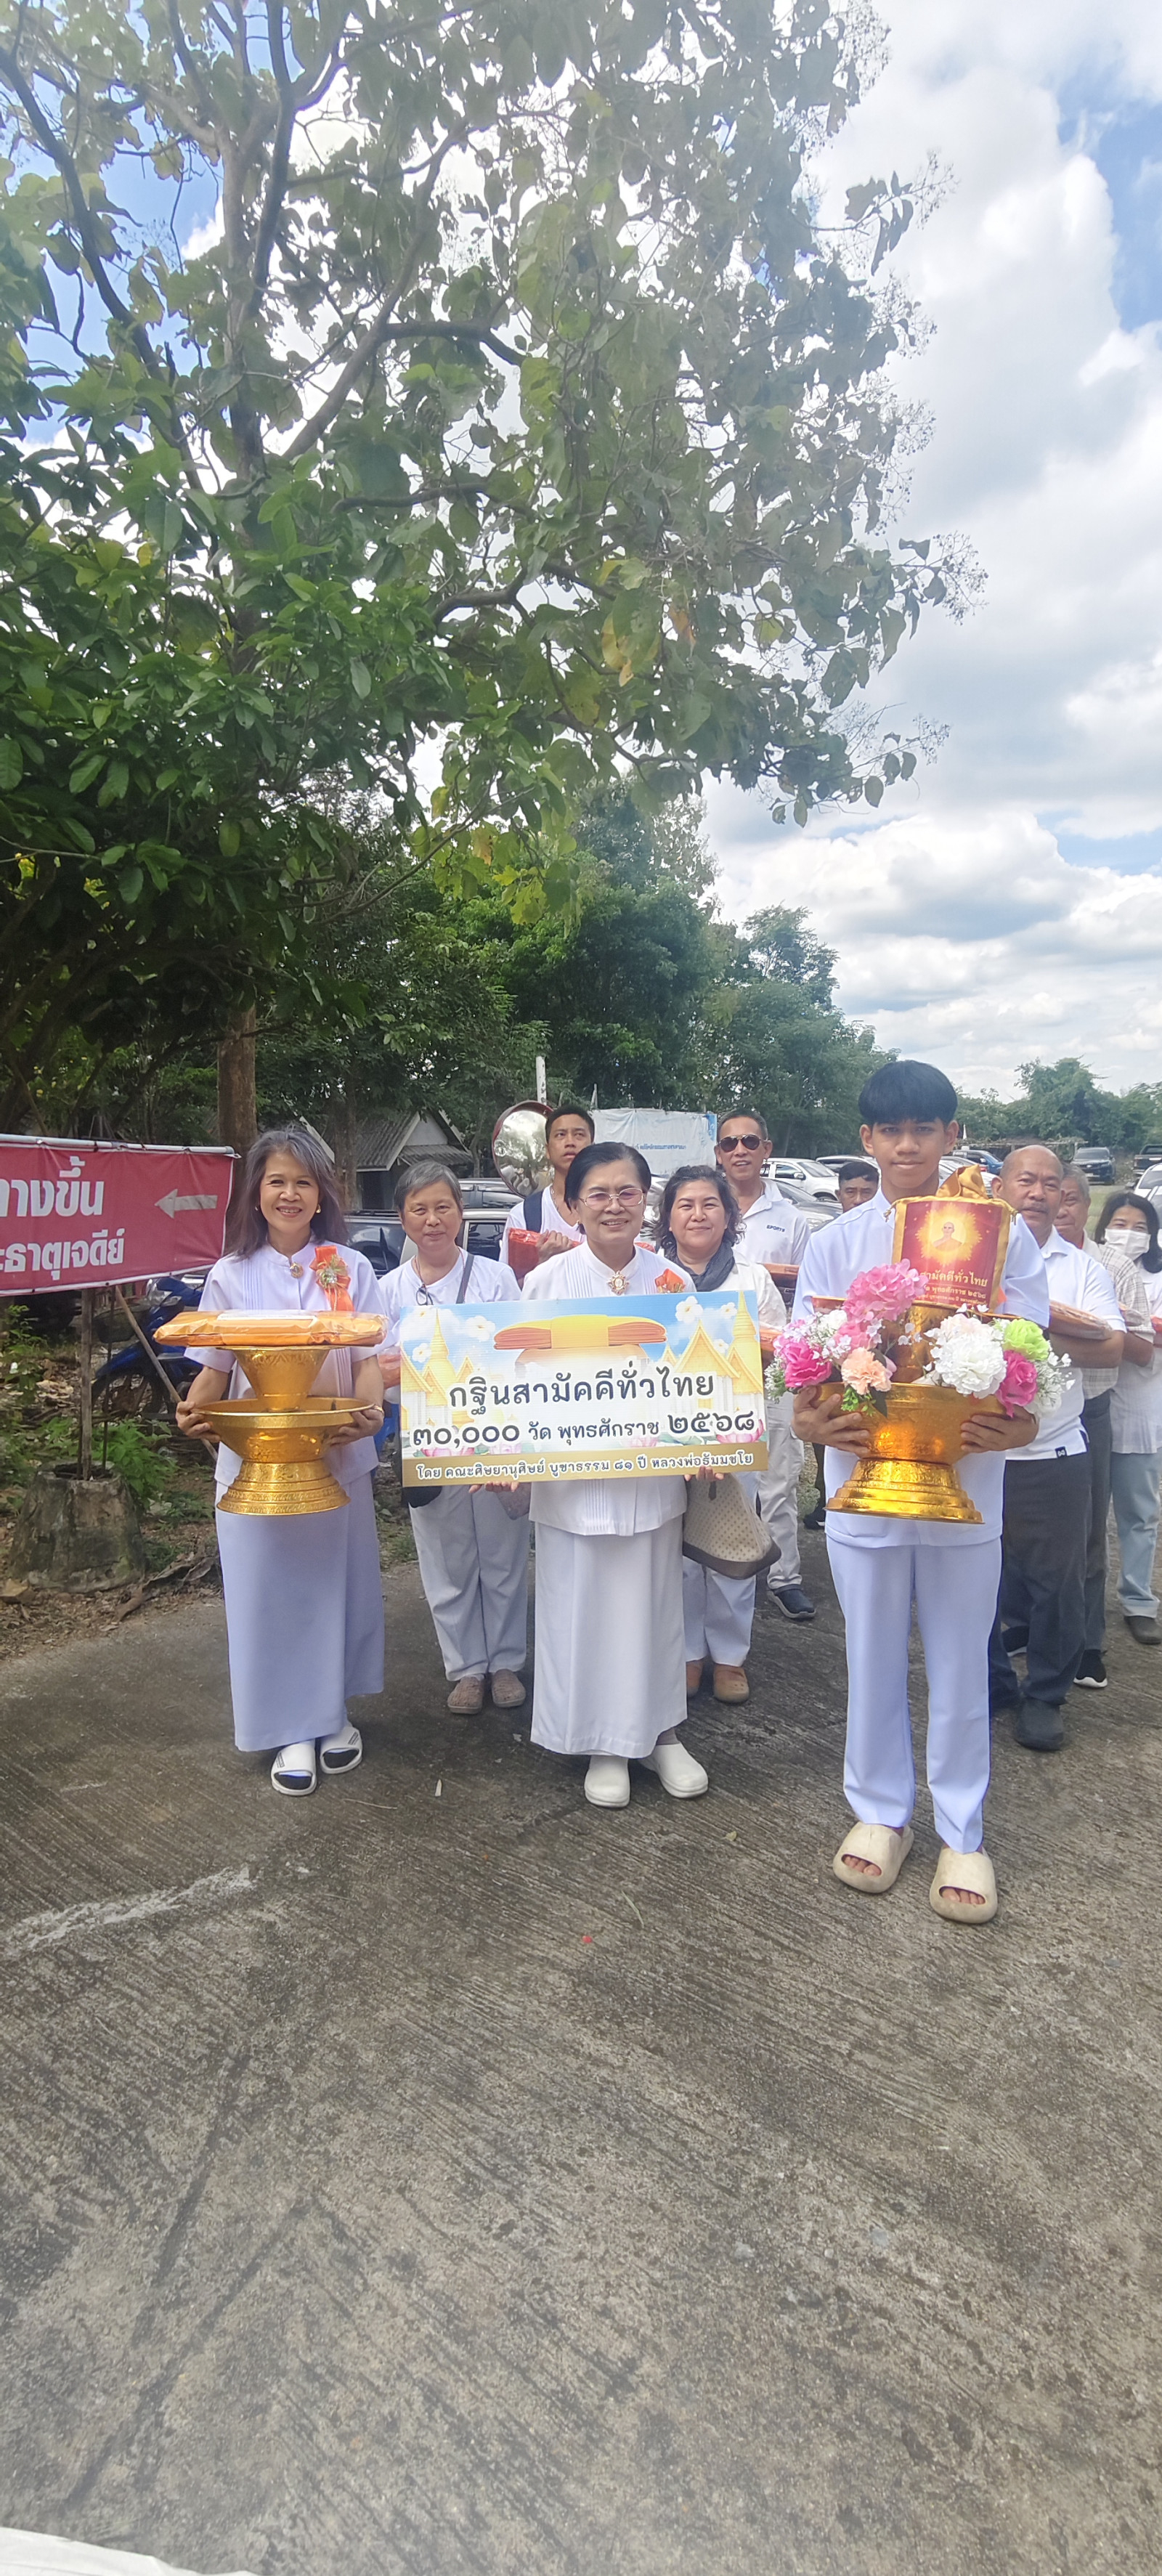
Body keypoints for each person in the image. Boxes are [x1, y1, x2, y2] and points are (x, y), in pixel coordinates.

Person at [791, 1061, 1049, 1925]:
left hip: (966, 1476)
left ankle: (963, 1828)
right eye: (889, 1130)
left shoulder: (1002, 1235)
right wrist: (807, 1420)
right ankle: (878, 1813)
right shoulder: (833, 1243)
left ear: (951, 1135)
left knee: (959, 1659)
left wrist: (1026, 1422)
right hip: (862, 1479)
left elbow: (1034, 1359)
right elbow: (805, 1359)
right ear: (866, 1140)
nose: (907, 1145)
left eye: (924, 1129)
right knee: (867, 1652)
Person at [176, 1128, 385, 1797]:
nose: (290, 1193)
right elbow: (212, 1369)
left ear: (322, 1191)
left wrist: (371, 1410)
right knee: (271, 1596)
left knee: (334, 1588)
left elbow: (367, 1361)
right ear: (257, 1194)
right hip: (256, 1465)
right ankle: (291, 1727)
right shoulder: (229, 1273)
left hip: (334, 1453)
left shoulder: (349, 1267)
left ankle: (334, 1715)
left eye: (303, 1180)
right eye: (277, 1181)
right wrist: (192, 1410)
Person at [521, 1140, 707, 1809]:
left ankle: (660, 1732)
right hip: (572, 1483)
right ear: (572, 1205)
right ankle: (602, 1740)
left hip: (651, 1480)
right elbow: (517, 1383)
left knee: (656, 1604)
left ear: (646, 1200)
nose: (614, 1206)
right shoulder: (544, 1285)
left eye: (627, 1192)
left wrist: (710, 1433)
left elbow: (698, 1380)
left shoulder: (673, 1284)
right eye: (597, 1193)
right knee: (583, 1606)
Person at [378, 1161, 529, 1715]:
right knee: (446, 1556)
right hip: (426, 1438)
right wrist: (395, 1377)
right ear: (403, 1220)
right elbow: (376, 1371)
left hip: (495, 1436)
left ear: (461, 1214)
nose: (433, 1219)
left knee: (503, 1551)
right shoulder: (386, 1290)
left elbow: (520, 1355)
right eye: (419, 1209)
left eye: (443, 1206)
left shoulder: (496, 1279)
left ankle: (508, 1660)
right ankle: (466, 1668)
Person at [989, 1147, 1126, 1747]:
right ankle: (993, 1681)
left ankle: (1046, 1692)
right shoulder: (970, 1257)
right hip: (977, 1451)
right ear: (1000, 1186)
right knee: (975, 1583)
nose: (1039, 1193)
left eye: (1051, 1183)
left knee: (1057, 1584)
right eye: (1027, 1180)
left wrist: (1034, 1323)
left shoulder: (1080, 1269)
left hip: (1053, 1454)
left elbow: (1111, 1346)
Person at [659, 1163, 785, 1704]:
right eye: (685, 1204)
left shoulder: (752, 1280)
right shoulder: (650, 1276)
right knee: (679, 1549)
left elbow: (783, 1358)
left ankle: (730, 1656)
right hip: (663, 1433)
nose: (698, 1214)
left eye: (710, 1204)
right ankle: (687, 1653)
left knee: (732, 1539)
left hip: (736, 1429)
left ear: (729, 1215)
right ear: (668, 1217)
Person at [714, 1108, 816, 1623]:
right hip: (712, 1371)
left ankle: (784, 1576)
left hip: (772, 1360)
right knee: (719, 1480)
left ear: (766, 1148)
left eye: (749, 1140)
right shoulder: (701, 1205)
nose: (739, 1150)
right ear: (717, 1153)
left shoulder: (791, 1217)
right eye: (729, 1142)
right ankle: (723, 1567)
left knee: (778, 1474)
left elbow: (805, 1294)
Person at [1055, 1167, 1153, 1686]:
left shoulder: (1110, 1265)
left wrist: (1096, 1323)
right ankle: (1026, 1624)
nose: (1060, 1206)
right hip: (1024, 1413)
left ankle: (1089, 1645)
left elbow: (1138, 1348)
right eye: (1052, 1195)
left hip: (1091, 1409)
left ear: (1085, 1206)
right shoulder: (1017, 1259)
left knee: (1088, 1536)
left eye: (1070, 1198)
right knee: (1019, 1535)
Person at [1094, 1192, 1162, 1649]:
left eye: (1140, 1227)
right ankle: (1083, 1603)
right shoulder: (1091, 1268)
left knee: (1139, 1513)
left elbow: (1144, 1349)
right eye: (1120, 1223)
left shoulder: (1157, 1279)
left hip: (1140, 1410)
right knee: (1088, 1518)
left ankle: (1139, 1601)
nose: (1129, 1233)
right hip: (1094, 1408)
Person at [804, 1162, 879, 1527]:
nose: (859, 1199)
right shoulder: (828, 1241)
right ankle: (824, 1494)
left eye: (868, 1191)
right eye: (852, 1192)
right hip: (839, 1381)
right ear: (839, 1195)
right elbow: (808, 1326)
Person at [500, 1104, 593, 1265]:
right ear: (547, 1150)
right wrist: (544, 1265)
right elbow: (509, 1286)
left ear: (592, 1147)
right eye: (561, 1135)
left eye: (579, 1135)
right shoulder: (524, 1216)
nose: (570, 1142)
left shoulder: (613, 1211)